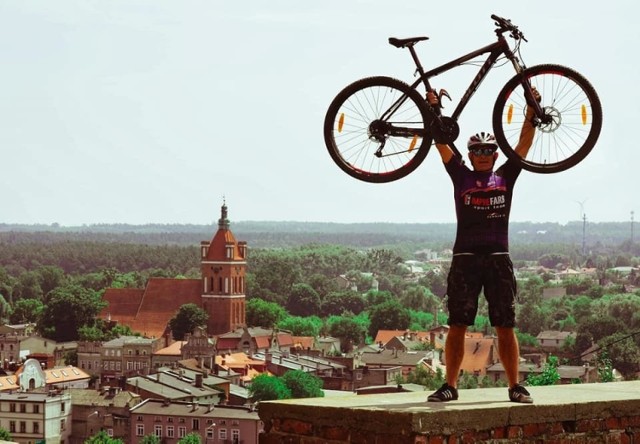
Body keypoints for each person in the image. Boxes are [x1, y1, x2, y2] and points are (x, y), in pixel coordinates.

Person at [425, 88, 540, 403]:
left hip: (498, 259)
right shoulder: (460, 175)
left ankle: (515, 386)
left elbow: (524, 143)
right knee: (458, 324)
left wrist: (532, 108)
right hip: (465, 259)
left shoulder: (506, 176)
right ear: (471, 153)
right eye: (477, 150)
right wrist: (432, 108)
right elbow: (440, 142)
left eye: (488, 150)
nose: (483, 155)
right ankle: (450, 385)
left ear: (495, 155)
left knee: (505, 324)